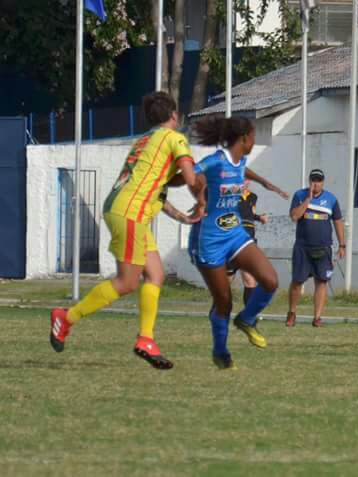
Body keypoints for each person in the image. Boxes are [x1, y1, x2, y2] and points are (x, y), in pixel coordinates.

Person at [49, 91, 205, 370]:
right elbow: (191, 179)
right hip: (130, 214)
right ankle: (66, 317)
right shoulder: (175, 138)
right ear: (174, 115)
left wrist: (182, 216)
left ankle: (146, 338)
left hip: (124, 209)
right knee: (127, 282)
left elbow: (158, 187)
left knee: (155, 274)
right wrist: (202, 191)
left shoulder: (144, 141)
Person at [188, 115, 288, 370]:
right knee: (223, 301)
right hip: (208, 239)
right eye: (254, 135)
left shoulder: (238, 163)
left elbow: (244, 170)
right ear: (244, 138)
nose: (256, 140)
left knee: (270, 280)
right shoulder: (214, 164)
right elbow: (192, 176)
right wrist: (198, 197)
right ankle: (220, 351)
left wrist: (265, 182)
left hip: (235, 234)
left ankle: (246, 319)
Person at [285, 169, 345, 328]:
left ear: (323, 182)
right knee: (297, 282)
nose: (316, 183)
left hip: (323, 247)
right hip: (302, 247)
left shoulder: (331, 199)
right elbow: (294, 216)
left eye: (319, 180)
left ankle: (317, 317)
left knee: (322, 281)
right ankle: (292, 313)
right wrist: (308, 200)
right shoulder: (299, 195)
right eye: (313, 180)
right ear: (309, 181)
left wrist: (342, 245)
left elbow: (338, 221)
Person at [227, 179, 269, 307]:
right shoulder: (229, 194)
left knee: (250, 280)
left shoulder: (253, 197)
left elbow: (250, 213)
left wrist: (259, 217)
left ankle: (248, 315)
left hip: (249, 241)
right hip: (232, 240)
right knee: (227, 279)